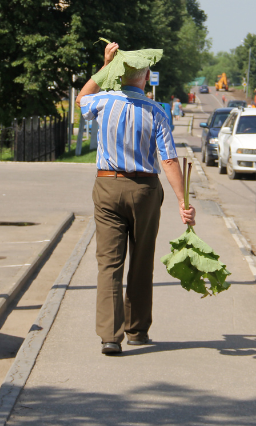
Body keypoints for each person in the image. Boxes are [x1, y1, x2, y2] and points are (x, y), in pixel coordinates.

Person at [76, 41, 196, 355]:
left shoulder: (102, 102)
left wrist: (105, 66)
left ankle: (110, 337)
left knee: (109, 264)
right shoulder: (156, 111)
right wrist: (184, 203)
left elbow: (81, 98)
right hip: (145, 191)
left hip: (108, 187)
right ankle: (137, 330)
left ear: (119, 74)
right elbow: (169, 160)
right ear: (144, 78)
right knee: (141, 262)